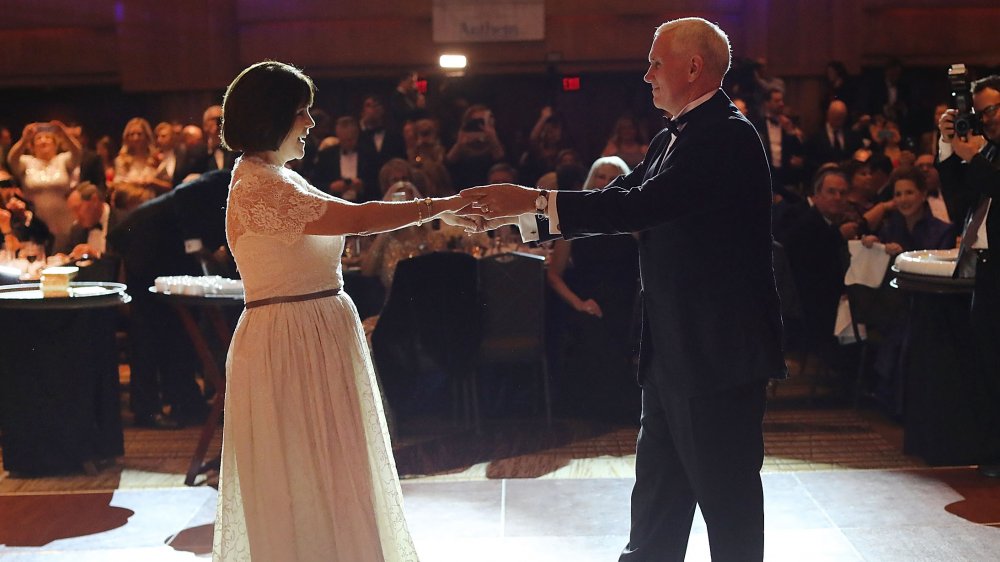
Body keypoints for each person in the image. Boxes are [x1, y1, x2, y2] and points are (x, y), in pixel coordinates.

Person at [461, 18, 786, 561]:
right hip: (671, 352)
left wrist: (525, 201)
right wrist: (523, 211)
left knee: (728, 507)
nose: (647, 74)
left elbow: (637, 207)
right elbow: (616, 195)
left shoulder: (727, 136)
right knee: (657, 497)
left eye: (656, 62)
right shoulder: (670, 137)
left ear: (693, 67)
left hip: (715, 355)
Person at [213, 60, 472, 561]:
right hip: (290, 338)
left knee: (334, 464)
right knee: (305, 468)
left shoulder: (278, 176)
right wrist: (439, 205)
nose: (311, 124)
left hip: (313, 330)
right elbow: (356, 218)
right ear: (274, 116)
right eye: (302, 112)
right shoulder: (261, 186)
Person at [937, 74, 1000, 478]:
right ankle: (992, 453)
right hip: (988, 272)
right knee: (988, 366)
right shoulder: (989, 150)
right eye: (980, 113)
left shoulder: (987, 154)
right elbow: (959, 199)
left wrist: (975, 156)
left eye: (992, 109)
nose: (986, 119)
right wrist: (948, 147)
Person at [546, 156, 640, 423]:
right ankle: (598, 413)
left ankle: (616, 412)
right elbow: (554, 276)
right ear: (591, 180)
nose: (606, 183)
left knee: (620, 329)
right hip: (585, 299)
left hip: (626, 303)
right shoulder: (575, 219)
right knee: (592, 327)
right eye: (601, 177)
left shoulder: (632, 220)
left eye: (613, 178)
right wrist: (578, 303)